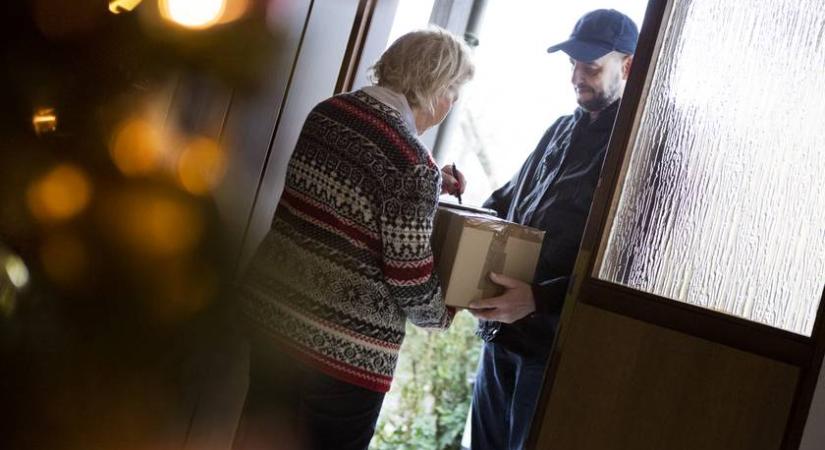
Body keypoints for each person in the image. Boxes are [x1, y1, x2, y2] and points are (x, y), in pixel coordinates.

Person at [234, 28, 473, 450]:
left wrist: (432, 182)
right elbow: (410, 280)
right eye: (453, 91)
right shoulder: (413, 163)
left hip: (276, 317)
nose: (451, 103)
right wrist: (447, 312)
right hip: (343, 353)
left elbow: (350, 197)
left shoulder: (328, 112)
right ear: (436, 88)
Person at [467, 9, 638, 450]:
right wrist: (464, 222)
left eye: (591, 67)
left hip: (554, 352)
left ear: (628, 66)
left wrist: (539, 298)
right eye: (573, 64)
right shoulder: (559, 129)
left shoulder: (634, 148)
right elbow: (504, 203)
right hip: (502, 338)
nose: (577, 77)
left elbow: (624, 264)